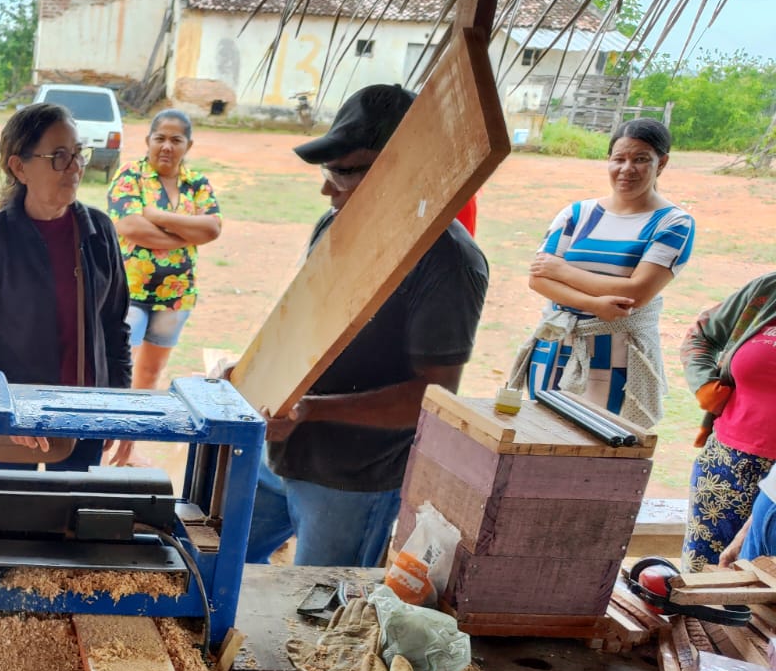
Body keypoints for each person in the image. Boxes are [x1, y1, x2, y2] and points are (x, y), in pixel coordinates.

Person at [246, 84, 490, 567]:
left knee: (317, 616)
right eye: (327, 169)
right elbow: (302, 324)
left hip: (350, 480)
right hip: (276, 455)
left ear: (402, 171)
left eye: (345, 172)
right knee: (218, 572)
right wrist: (253, 372)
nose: (326, 189)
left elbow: (431, 397)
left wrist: (311, 410)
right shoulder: (333, 225)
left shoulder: (446, 262)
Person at [0, 102, 133, 469]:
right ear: (19, 167)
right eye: (59, 156)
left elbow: (115, 327)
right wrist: (6, 405)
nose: (76, 167)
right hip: (14, 423)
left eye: (78, 153)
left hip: (85, 416)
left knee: (73, 523)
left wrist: (118, 405)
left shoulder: (98, 232)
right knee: (13, 522)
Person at [508, 118, 694, 427]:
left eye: (640, 159)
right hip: (554, 346)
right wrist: (595, 305)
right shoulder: (576, 213)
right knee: (539, 436)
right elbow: (538, 279)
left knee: (597, 445)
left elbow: (636, 292)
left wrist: (562, 270)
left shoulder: (673, 223)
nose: (626, 168)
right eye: (619, 159)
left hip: (617, 357)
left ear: (662, 163)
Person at [106, 108, 222, 390]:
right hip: (129, 292)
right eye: (160, 138)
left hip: (175, 297)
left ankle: (130, 434)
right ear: (148, 140)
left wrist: (158, 217)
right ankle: (111, 430)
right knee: (121, 369)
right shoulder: (130, 175)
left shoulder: (196, 183)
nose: (167, 146)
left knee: (149, 373)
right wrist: (185, 234)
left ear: (188, 145)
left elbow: (211, 229)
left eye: (176, 140)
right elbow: (130, 226)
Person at [680, 271, 776, 570]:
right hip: (726, 466)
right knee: (701, 583)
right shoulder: (767, 291)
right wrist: (705, 385)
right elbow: (702, 334)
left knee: (760, 601)